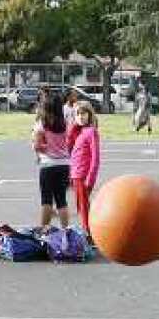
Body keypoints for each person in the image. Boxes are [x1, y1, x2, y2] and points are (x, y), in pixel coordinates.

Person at [32, 94, 72, 230]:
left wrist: (45, 147)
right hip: (65, 165)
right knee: (61, 200)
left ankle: (44, 230)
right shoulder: (65, 123)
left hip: (48, 165)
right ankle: (66, 230)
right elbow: (69, 143)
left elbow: (37, 146)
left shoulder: (42, 124)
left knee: (46, 200)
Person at [69, 102, 101, 237]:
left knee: (84, 207)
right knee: (80, 207)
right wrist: (72, 129)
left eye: (83, 113)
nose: (80, 117)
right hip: (75, 175)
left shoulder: (91, 132)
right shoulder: (78, 131)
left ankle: (89, 234)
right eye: (77, 114)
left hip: (84, 176)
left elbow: (95, 157)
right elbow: (69, 148)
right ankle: (87, 231)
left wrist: (90, 178)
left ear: (89, 114)